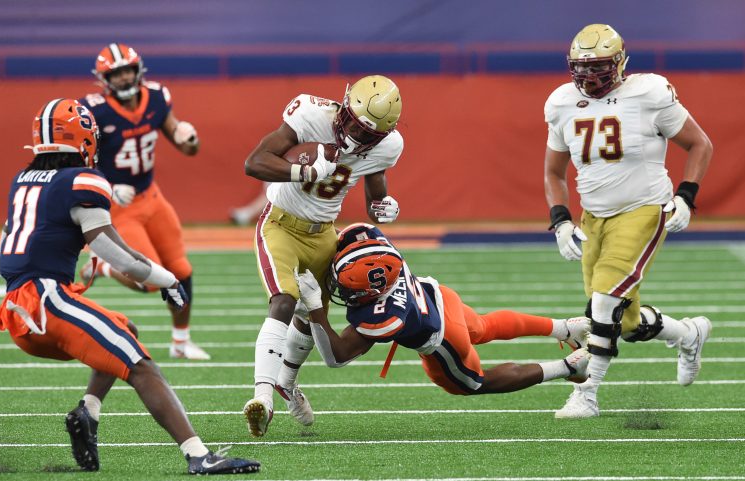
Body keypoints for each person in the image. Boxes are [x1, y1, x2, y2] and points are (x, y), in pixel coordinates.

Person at [0, 99, 259, 474]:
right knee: (141, 366)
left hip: (18, 309)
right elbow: (119, 256)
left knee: (125, 329)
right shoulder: (82, 181)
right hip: (47, 302)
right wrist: (168, 280)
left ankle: (88, 412)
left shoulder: (22, 179)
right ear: (83, 138)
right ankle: (199, 455)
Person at [543, 24, 714, 418]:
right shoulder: (562, 102)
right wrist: (561, 221)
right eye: (581, 68)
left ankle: (587, 394)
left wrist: (686, 196)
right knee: (622, 321)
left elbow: (699, 143)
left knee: (603, 303)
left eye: (598, 67)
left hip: (642, 210)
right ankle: (688, 334)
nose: (589, 77)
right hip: (593, 218)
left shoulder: (648, 92)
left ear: (620, 63)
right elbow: (553, 172)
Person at [242, 75, 405, 437]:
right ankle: (263, 398)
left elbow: (374, 197)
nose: (357, 136)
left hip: (324, 234)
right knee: (285, 300)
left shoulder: (387, 146)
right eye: (355, 125)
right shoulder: (311, 114)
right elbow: (254, 163)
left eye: (367, 134)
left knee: (310, 312)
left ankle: (287, 383)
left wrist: (384, 207)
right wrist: (304, 171)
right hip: (280, 225)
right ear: (345, 106)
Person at [291, 223, 591, 399]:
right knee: (484, 327)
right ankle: (564, 327)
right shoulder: (371, 238)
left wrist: (315, 308)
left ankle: (568, 367)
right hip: (440, 296)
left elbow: (336, 357)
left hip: (441, 336)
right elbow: (353, 234)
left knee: (474, 383)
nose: (341, 290)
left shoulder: (383, 317)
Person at [78, 42, 209, 360]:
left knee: (181, 269)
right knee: (151, 280)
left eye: (127, 71)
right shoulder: (91, 110)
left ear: (138, 71)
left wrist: (189, 138)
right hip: (118, 205)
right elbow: (77, 163)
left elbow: (188, 148)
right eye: (116, 74)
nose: (123, 79)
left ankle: (180, 342)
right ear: (104, 79)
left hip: (151, 196)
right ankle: (104, 265)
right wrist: (107, 187)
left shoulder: (157, 97)